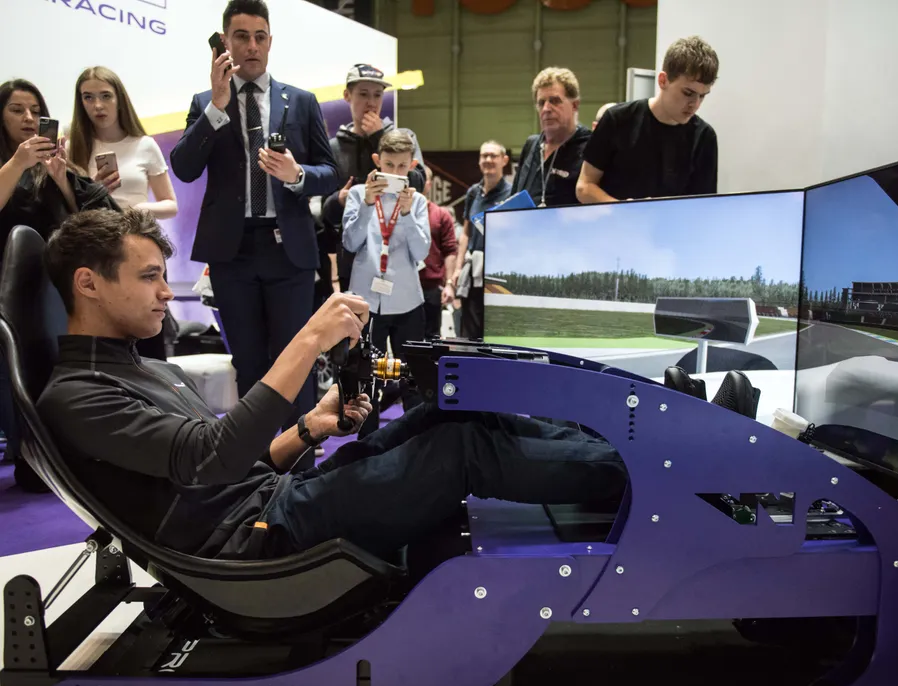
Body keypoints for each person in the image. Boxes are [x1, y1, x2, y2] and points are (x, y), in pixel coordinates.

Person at [37, 207, 628, 563]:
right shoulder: (78, 396)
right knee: (461, 450)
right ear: (88, 284)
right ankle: (642, 474)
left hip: (271, 504)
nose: (168, 292)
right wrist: (309, 339)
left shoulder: (144, 368)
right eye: (149, 278)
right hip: (256, 539)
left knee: (451, 416)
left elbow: (232, 462)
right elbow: (210, 459)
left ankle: (621, 448)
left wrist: (309, 426)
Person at [169, 0, 338, 470]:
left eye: (260, 36)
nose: (251, 45)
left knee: (298, 360)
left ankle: (301, 468)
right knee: (249, 365)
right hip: (232, 252)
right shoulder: (206, 103)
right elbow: (183, 168)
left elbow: (331, 171)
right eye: (241, 36)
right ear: (225, 42)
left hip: (290, 252)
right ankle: (256, 467)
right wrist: (218, 108)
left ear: (270, 41)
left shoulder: (300, 101)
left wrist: (296, 173)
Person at [0, 78, 117, 492]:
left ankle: (55, 457)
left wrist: (61, 176)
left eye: (35, 110)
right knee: (17, 372)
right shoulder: (10, 165)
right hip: (6, 289)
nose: (29, 118)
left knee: (56, 366)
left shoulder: (50, 166)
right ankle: (24, 454)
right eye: (17, 109)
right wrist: (16, 164)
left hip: (54, 287)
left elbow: (86, 218)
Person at [68, 66, 178, 360]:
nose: (98, 105)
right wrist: (93, 191)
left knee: (147, 336)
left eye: (105, 96)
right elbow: (67, 208)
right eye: (88, 97)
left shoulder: (143, 145)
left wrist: (135, 209)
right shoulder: (72, 147)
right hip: (94, 250)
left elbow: (170, 204)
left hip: (139, 246)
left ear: (120, 99)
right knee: (102, 333)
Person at [342, 130, 430, 426]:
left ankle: (415, 440)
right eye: (389, 165)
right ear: (378, 161)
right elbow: (350, 243)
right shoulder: (358, 195)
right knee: (366, 378)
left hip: (407, 302)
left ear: (412, 166)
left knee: (412, 377)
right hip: (366, 302)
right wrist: (367, 205)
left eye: (401, 167)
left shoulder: (417, 202)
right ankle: (367, 443)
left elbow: (421, 252)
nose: (394, 173)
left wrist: (405, 214)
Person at [321, 64, 425, 293]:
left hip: (398, 250)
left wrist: (381, 136)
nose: (372, 102)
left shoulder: (404, 138)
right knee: (356, 325)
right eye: (363, 94)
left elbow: (419, 182)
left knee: (399, 317)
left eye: (378, 95)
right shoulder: (333, 148)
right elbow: (325, 211)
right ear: (347, 96)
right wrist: (340, 200)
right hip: (353, 253)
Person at [577, 36, 719, 204]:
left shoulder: (704, 137)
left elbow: (704, 207)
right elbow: (584, 186)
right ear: (663, 80)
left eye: (702, 96)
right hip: (617, 227)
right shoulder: (617, 120)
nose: (695, 104)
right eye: (688, 93)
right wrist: (622, 209)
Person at [448, 140, 511, 340]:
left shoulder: (512, 192)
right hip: (474, 272)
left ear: (504, 160)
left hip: (500, 273)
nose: (488, 160)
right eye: (484, 156)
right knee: (470, 331)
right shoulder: (473, 193)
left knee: (495, 331)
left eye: (493, 155)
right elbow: (466, 233)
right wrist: (458, 268)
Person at [510, 68, 591, 209]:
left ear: (575, 105)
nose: (546, 108)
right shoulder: (531, 145)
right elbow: (513, 198)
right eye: (541, 103)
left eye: (554, 101)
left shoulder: (590, 146)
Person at [420, 166, 458, 339]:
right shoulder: (397, 213)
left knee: (431, 340)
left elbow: (450, 250)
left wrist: (449, 283)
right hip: (401, 288)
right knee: (402, 342)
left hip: (431, 288)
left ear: (429, 184)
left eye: (423, 178)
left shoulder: (441, 215)